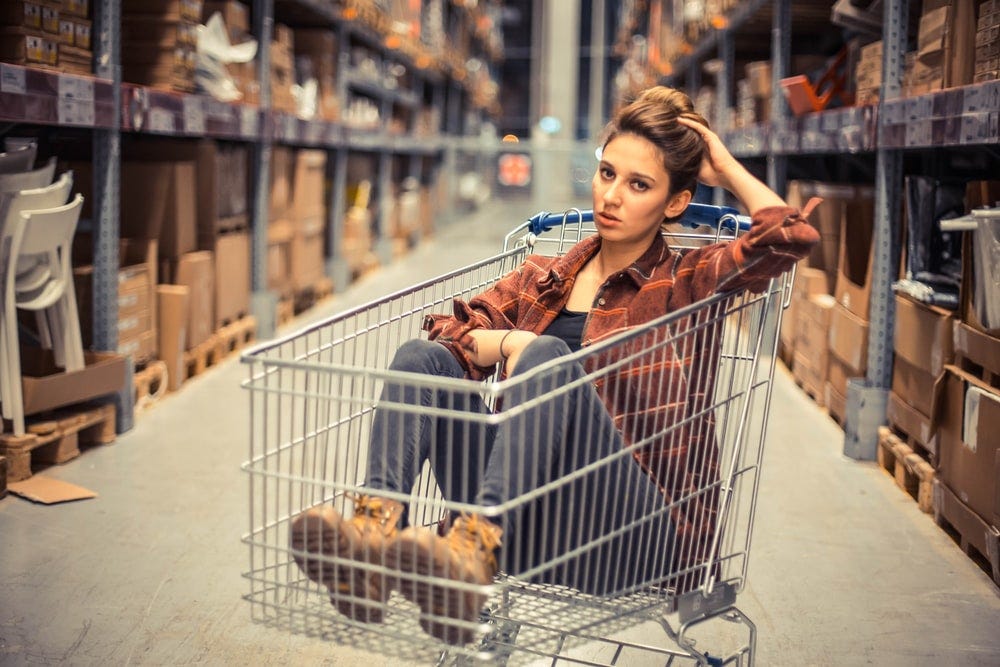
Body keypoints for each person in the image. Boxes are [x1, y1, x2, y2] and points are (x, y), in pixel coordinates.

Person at [289, 86, 821, 646]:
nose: (612, 195)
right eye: (608, 173)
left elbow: (790, 237)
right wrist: (508, 341)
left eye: (639, 184)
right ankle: (373, 543)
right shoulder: (545, 276)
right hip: (537, 527)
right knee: (420, 358)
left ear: (675, 202)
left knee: (549, 357)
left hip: (631, 537)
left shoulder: (687, 281)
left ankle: (474, 549)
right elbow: (446, 334)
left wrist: (720, 158)